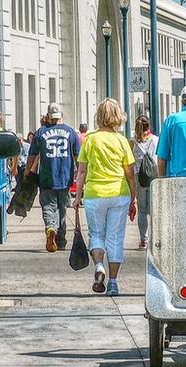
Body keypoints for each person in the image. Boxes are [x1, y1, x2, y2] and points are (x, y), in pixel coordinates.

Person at [73, 98, 137, 296]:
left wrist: (77, 196)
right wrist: (134, 198)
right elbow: (130, 172)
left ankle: (99, 266)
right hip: (119, 194)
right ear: (118, 117)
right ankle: (114, 282)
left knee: (97, 235)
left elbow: (82, 170)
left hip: (95, 194)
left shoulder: (90, 139)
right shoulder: (122, 141)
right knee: (116, 239)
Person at [26, 103, 80, 252]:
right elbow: (77, 157)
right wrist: (80, 174)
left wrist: (27, 172)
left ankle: (51, 227)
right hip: (64, 178)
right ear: (61, 115)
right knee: (62, 209)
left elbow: (32, 156)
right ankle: (61, 240)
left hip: (46, 178)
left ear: (49, 116)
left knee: (49, 207)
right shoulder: (71, 133)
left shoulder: (40, 133)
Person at [129, 115, 159, 249]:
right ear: (149, 126)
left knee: (142, 211)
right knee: (155, 210)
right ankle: (157, 239)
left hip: (139, 178)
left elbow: (129, 162)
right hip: (155, 178)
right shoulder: (156, 140)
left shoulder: (132, 142)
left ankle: (143, 240)